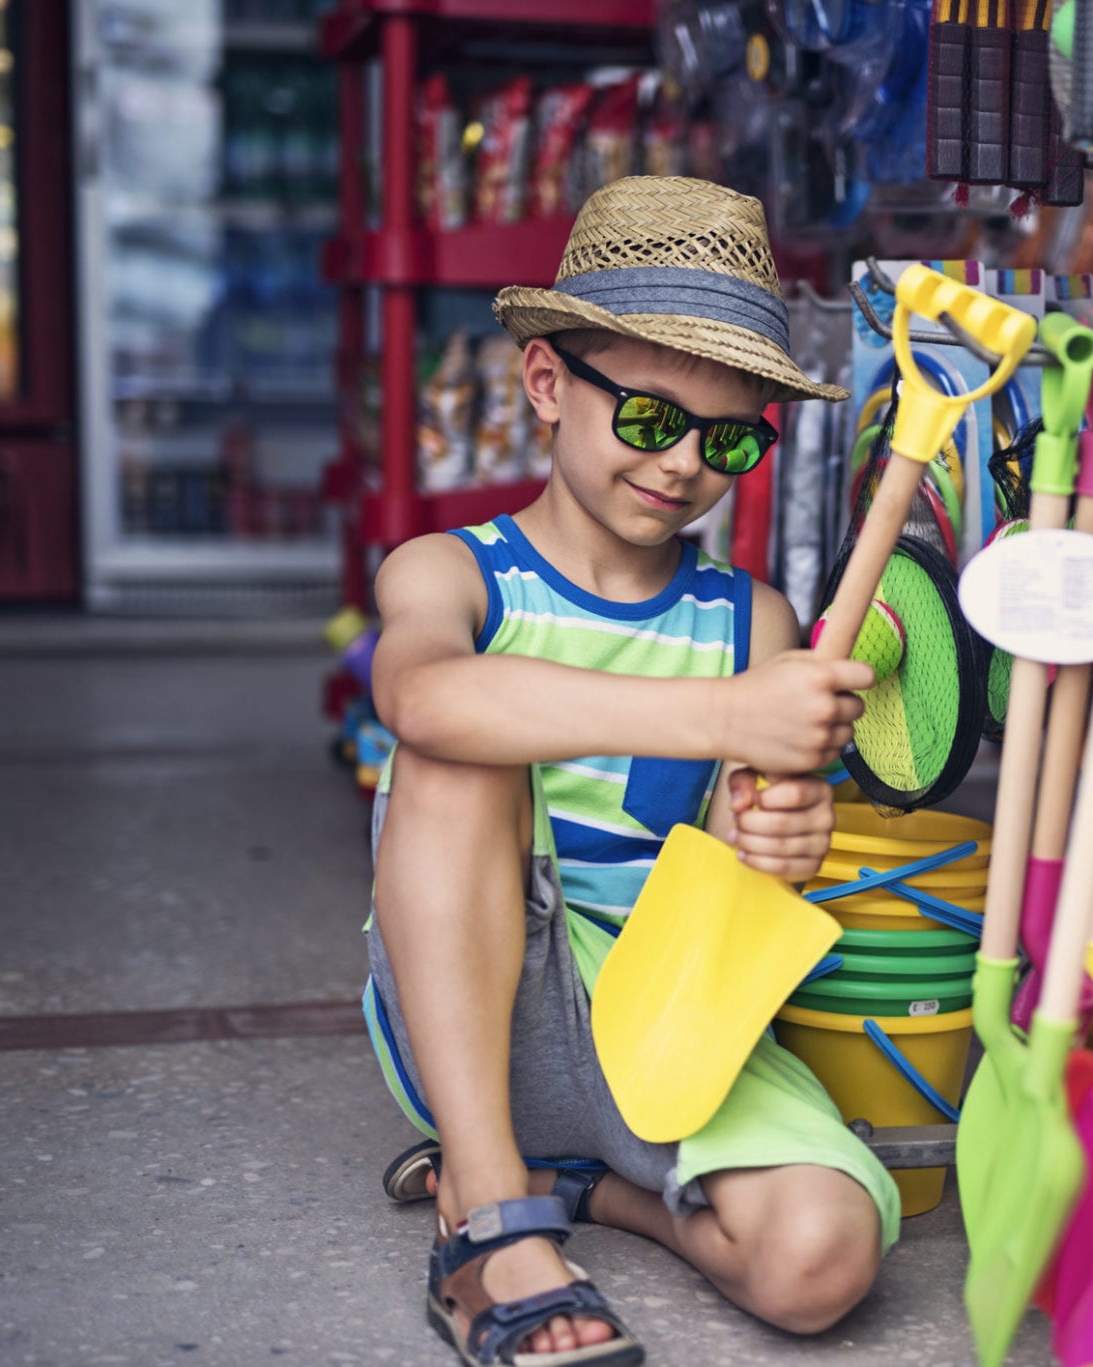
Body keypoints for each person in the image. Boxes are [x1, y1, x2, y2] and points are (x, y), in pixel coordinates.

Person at [363, 177, 897, 1367]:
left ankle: (587, 1192)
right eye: (651, 418)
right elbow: (422, 697)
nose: (684, 465)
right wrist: (723, 713)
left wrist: (779, 839)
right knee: (460, 741)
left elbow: (736, 860)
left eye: (730, 438)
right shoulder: (450, 573)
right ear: (547, 384)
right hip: (485, 1021)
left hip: (664, 1018)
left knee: (821, 1257)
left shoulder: (752, 617)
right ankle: (489, 1213)